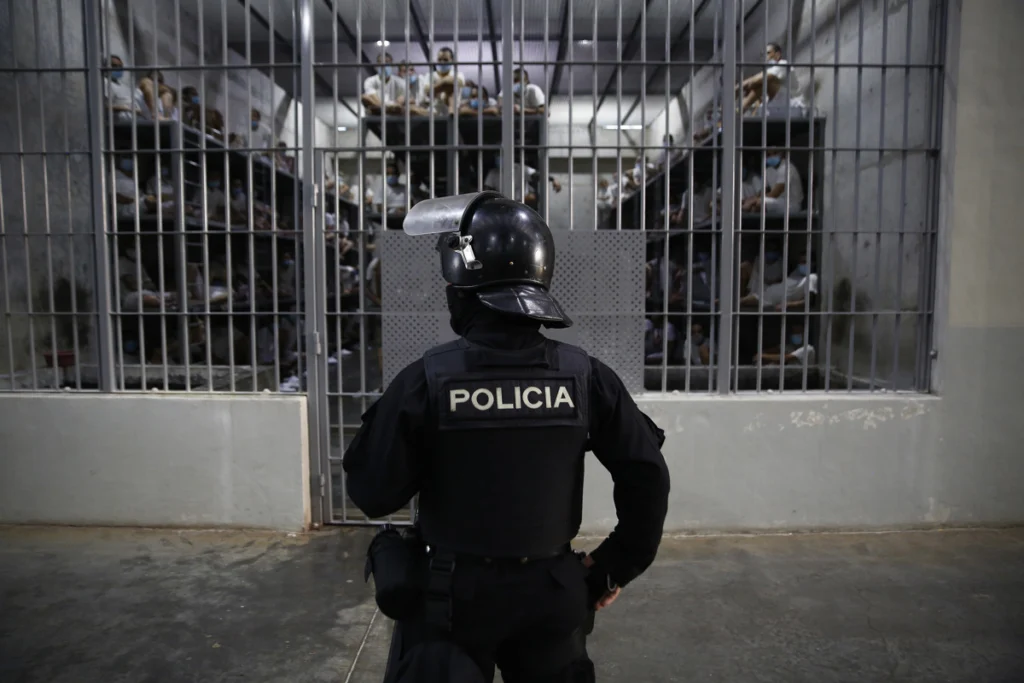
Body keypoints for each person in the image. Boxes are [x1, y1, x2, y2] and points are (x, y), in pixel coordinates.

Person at [344, 191, 670, 683]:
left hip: (452, 601)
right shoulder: (586, 377)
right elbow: (647, 480)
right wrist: (608, 570)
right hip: (553, 596)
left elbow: (371, 494)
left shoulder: (425, 381)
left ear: (461, 287)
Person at [738, 42, 800, 115]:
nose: (764, 57)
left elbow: (760, 79)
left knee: (764, 81)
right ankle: (738, 113)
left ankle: (738, 112)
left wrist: (739, 87)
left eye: (768, 53)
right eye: (762, 55)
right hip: (773, 110)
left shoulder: (783, 64)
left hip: (790, 108)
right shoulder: (767, 72)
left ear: (777, 55)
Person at [741, 149, 804, 215]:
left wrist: (754, 200)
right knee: (754, 206)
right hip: (777, 202)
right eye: (767, 155)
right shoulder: (768, 170)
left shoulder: (787, 167)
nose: (770, 157)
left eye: (773, 154)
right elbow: (763, 190)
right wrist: (752, 199)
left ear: (781, 154)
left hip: (791, 204)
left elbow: (775, 193)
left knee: (759, 204)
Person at [426, 47, 466, 114]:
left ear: (452, 61)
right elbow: (427, 91)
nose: (442, 62)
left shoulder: (458, 74)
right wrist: (445, 82)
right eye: (439, 59)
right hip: (434, 112)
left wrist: (438, 86)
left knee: (451, 87)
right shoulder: (430, 75)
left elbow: (460, 82)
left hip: (454, 113)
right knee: (450, 85)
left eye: (445, 60)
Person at [105, 55, 142, 123]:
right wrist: (126, 108)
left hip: (135, 119)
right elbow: (104, 105)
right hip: (122, 121)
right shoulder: (105, 83)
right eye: (115, 65)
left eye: (120, 66)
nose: (119, 68)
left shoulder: (122, 85)